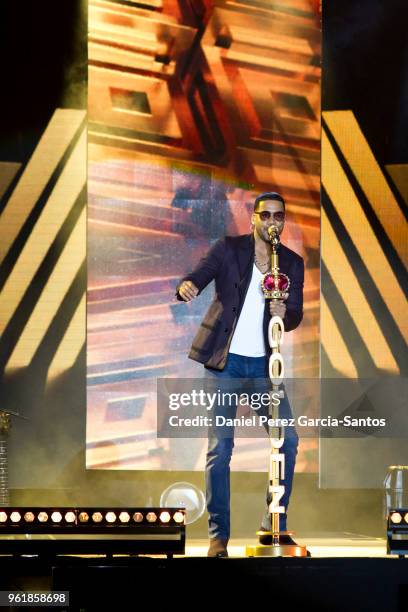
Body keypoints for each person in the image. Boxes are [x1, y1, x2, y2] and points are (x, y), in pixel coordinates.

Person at [175, 192, 304, 557]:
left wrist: (284, 312)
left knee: (288, 442)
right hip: (225, 364)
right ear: (254, 218)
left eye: (279, 216)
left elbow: (295, 315)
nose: (272, 222)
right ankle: (219, 536)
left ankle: (273, 521)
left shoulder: (292, 263)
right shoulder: (230, 249)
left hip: (265, 368)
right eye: (266, 215)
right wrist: (189, 286)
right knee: (220, 449)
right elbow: (199, 274)